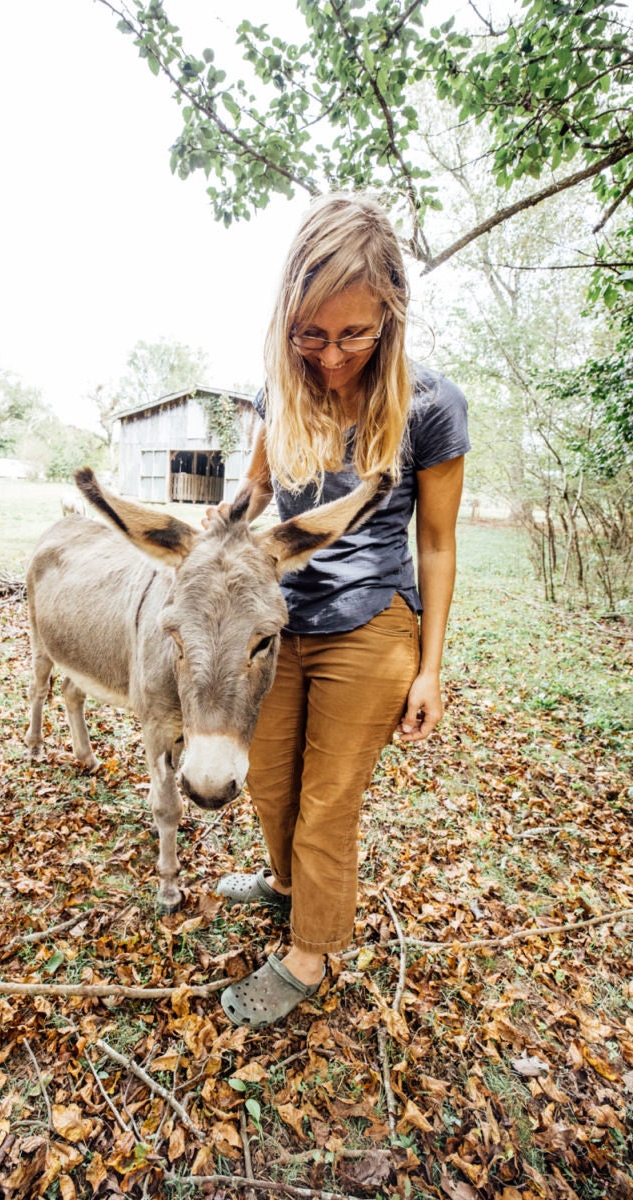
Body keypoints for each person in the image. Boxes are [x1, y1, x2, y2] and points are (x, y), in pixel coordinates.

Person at [214, 192, 470, 1029]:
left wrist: (431, 667)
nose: (330, 357)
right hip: (283, 621)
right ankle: (286, 883)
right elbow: (254, 489)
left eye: (354, 335)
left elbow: (435, 543)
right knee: (268, 775)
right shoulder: (276, 391)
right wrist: (205, 544)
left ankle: (309, 954)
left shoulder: (432, 404)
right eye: (310, 335)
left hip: (375, 624)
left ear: (391, 315)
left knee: (328, 796)